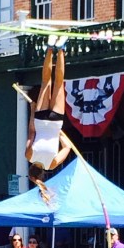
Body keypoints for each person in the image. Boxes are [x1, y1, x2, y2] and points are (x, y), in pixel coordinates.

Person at [24, 35, 74, 198]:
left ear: (42, 174)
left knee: (59, 82)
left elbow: (67, 147)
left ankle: (61, 49)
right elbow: (32, 132)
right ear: (31, 169)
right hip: (40, 119)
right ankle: (51, 48)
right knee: (46, 81)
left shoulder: (51, 165)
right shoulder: (29, 156)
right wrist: (32, 110)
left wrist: (58, 133)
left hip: (56, 123)